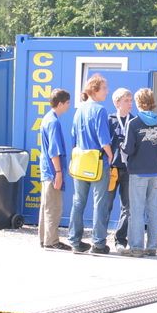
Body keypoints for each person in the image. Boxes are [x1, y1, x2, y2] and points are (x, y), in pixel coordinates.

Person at [68, 74, 114, 254]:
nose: (107, 91)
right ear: (94, 90)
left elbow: (73, 136)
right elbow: (104, 139)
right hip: (97, 161)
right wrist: (110, 156)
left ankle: (75, 240)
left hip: (80, 160)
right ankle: (98, 243)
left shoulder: (79, 110)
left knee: (78, 201)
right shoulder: (100, 110)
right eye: (104, 88)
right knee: (100, 203)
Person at [122, 88, 157, 257]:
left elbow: (129, 149)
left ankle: (136, 247)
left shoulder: (133, 123)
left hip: (138, 172)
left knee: (137, 210)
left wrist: (120, 147)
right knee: (153, 210)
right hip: (155, 172)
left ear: (138, 103)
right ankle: (152, 246)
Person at [39, 88, 72, 251]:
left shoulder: (47, 119)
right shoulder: (54, 122)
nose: (69, 106)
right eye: (67, 103)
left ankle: (44, 238)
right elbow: (54, 151)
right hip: (53, 171)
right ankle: (51, 241)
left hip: (47, 170)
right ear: (60, 104)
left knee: (46, 205)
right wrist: (58, 173)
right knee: (54, 206)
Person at [105, 88, 135, 253]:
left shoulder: (135, 121)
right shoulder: (109, 120)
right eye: (126, 101)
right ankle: (100, 238)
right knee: (106, 205)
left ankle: (120, 240)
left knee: (128, 207)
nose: (130, 104)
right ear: (116, 103)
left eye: (131, 101)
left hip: (129, 170)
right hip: (112, 169)